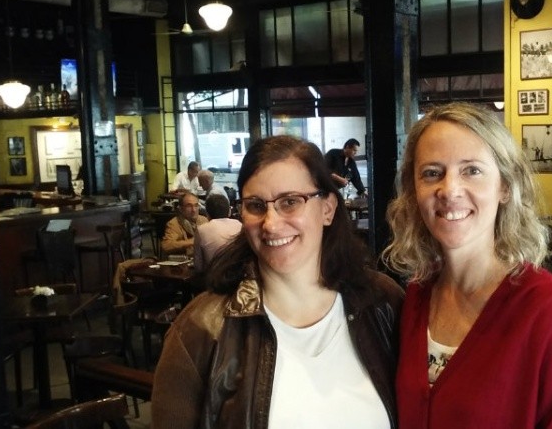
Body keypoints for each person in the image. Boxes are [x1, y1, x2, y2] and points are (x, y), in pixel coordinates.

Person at [151, 135, 404, 428]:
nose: (270, 224)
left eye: (290, 202)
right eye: (256, 205)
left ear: (327, 209)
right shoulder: (201, 328)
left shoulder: (383, 302)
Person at [382, 102, 552, 428]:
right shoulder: (416, 297)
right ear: (414, 192)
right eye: (432, 173)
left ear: (505, 187)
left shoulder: (548, 312)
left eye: (471, 170)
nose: (449, 189)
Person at [193, 194, 241, 272]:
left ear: (207, 213)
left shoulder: (202, 230)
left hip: (214, 276)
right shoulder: (239, 224)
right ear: (229, 211)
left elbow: (198, 266)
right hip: (239, 275)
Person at [161, 192, 208, 257]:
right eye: (189, 206)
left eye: (196, 205)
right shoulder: (174, 223)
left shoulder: (203, 220)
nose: (193, 210)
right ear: (181, 208)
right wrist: (191, 241)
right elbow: (166, 246)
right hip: (184, 260)